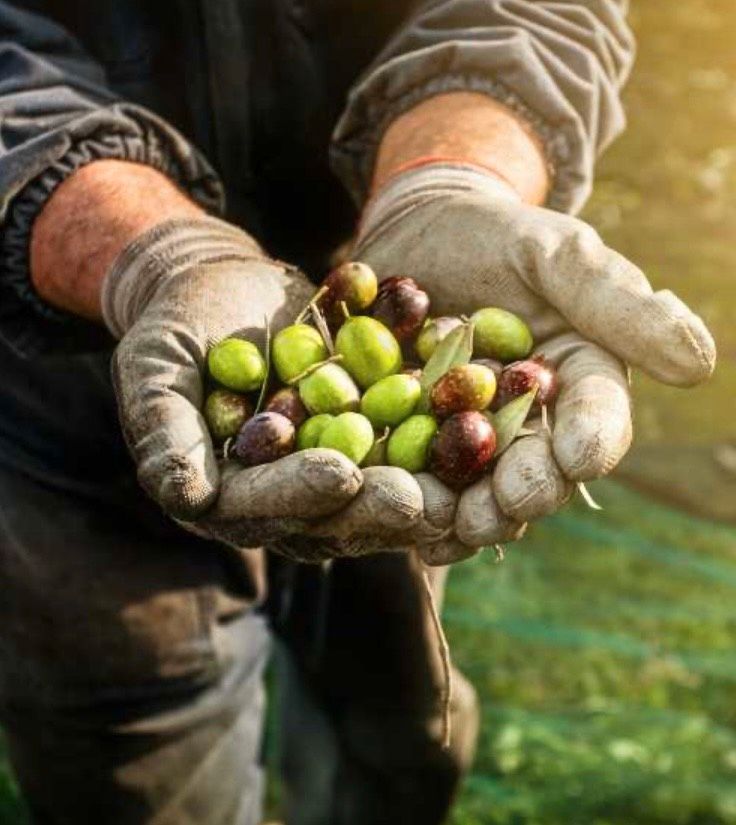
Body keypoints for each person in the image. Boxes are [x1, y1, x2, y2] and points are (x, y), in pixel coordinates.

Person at [0, 1, 716, 823]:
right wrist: (154, 257)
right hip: (61, 373)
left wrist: (453, 176)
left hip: (386, 284)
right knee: (133, 755)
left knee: (402, 722)